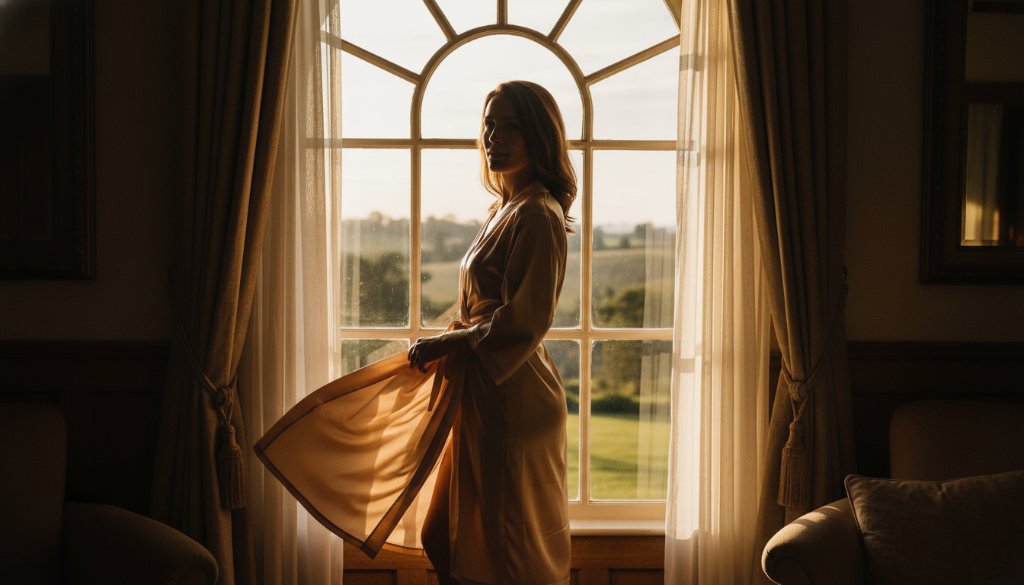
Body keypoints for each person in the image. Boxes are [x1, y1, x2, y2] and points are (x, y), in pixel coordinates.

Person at [406, 80, 576, 585]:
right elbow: (480, 305)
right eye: (489, 124)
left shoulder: (539, 215)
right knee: (444, 537)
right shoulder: (504, 210)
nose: (494, 137)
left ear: (540, 136)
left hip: (512, 392)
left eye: (511, 125)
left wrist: (446, 342)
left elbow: (523, 320)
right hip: (480, 390)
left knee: (504, 551)